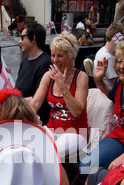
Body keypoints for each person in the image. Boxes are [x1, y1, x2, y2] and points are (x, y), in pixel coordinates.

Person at [80, 41, 124, 174]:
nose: (122, 66)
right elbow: (113, 96)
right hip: (119, 137)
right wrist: (98, 80)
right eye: (119, 61)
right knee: (87, 166)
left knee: (117, 175)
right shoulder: (120, 83)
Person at [29, 31, 89, 160]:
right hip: (52, 128)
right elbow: (35, 103)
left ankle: (57, 180)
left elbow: (77, 111)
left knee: (50, 153)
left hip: (76, 132)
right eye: (53, 55)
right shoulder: (48, 76)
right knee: (28, 147)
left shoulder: (81, 77)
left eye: (60, 56)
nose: (55, 60)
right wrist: (15, 117)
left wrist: (62, 86)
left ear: (72, 57)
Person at [16, 23, 52, 125]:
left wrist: (15, 102)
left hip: (35, 119)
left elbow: (39, 98)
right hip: (21, 112)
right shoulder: (25, 58)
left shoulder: (45, 62)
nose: (20, 41)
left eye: (23, 38)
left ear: (33, 39)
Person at [93, 22, 124, 91]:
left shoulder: (103, 51)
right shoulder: (107, 57)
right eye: (123, 39)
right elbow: (116, 82)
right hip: (111, 94)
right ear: (116, 37)